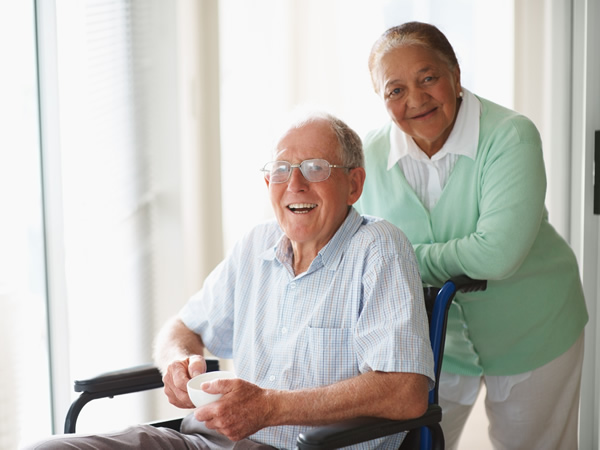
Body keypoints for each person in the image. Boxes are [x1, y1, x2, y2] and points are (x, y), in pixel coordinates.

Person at [26, 111, 435, 450]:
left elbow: (405, 391)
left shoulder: (378, 248)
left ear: (354, 184)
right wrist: (177, 366)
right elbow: (181, 328)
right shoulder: (255, 245)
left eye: (315, 168)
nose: (295, 184)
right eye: (281, 170)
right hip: (205, 441)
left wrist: (271, 407)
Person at [354, 21, 589, 450]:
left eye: (428, 78)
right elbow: (353, 249)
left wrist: (401, 257)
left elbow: (498, 255)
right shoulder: (367, 156)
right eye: (395, 90)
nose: (416, 99)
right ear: (380, 97)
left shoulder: (510, 136)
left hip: (534, 328)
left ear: (455, 76)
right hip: (433, 344)